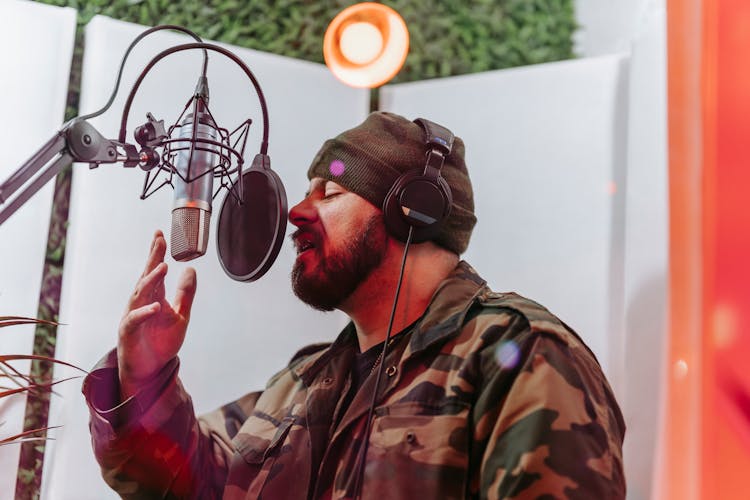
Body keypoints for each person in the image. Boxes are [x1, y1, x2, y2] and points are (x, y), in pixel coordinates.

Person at [83, 112, 626, 499]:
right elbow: (188, 479)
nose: (297, 211)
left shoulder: (519, 355)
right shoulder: (301, 384)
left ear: (411, 211)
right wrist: (143, 379)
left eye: (331, 192)